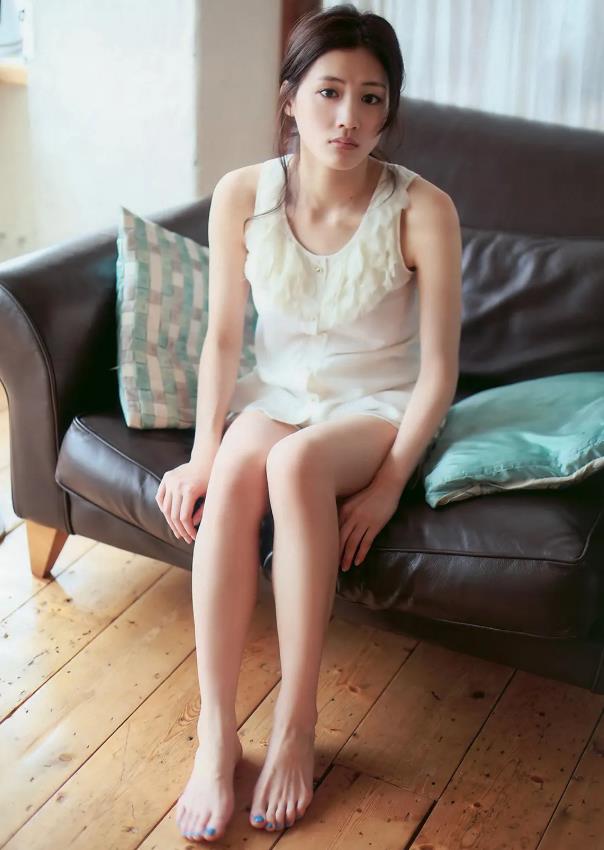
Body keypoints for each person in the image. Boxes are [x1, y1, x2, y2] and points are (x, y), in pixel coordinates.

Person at [155, 3, 461, 843]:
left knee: (292, 467)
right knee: (238, 467)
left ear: (389, 110)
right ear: (290, 98)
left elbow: (440, 370)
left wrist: (390, 483)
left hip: (377, 406)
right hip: (278, 393)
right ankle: (216, 732)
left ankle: (296, 721)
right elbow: (224, 339)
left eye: (371, 98)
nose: (348, 117)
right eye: (329, 92)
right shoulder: (242, 194)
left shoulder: (424, 208)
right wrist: (202, 452)